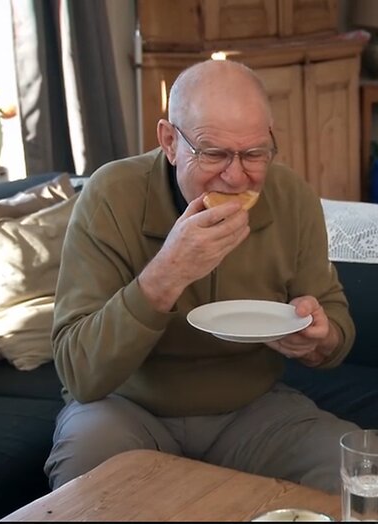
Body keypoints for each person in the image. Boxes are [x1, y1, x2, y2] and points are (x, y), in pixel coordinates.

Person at [45, 60, 360, 493]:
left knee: (355, 469)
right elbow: (79, 373)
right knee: (86, 469)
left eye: (254, 154)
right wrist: (166, 274)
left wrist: (320, 338)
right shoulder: (112, 196)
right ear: (170, 141)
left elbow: (337, 326)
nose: (236, 176)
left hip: (253, 411)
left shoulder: (292, 197)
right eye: (213, 154)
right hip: (126, 409)